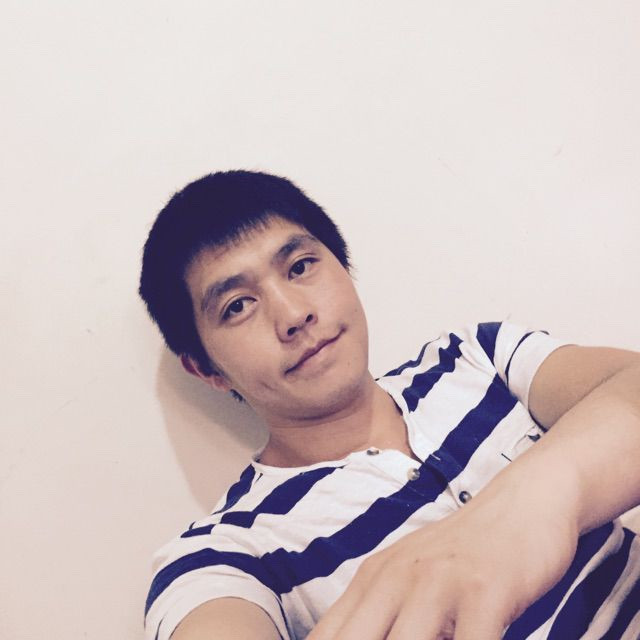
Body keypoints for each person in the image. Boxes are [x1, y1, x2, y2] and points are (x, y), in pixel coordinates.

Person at [139, 170, 640, 640]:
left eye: (300, 267)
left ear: (344, 266)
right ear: (206, 369)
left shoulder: (474, 357)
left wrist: (528, 507)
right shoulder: (225, 553)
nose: (293, 314)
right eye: (237, 306)